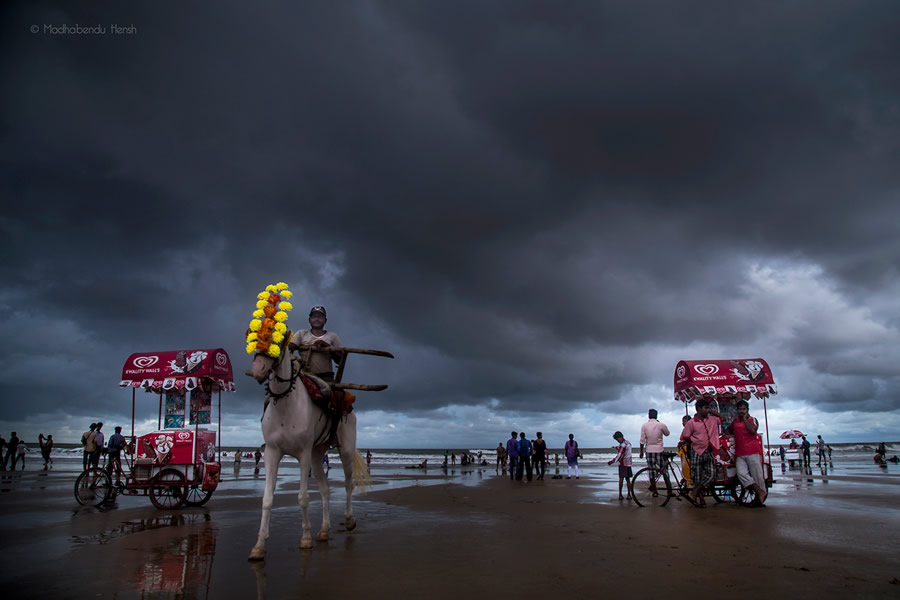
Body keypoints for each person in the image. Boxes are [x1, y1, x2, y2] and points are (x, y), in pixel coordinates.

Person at [680, 398, 724, 508]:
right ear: (698, 409)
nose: (707, 410)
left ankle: (693, 494)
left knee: (711, 475)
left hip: (709, 450)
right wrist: (695, 443)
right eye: (705, 408)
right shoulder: (691, 423)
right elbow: (686, 437)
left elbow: (723, 418)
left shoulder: (712, 419)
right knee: (697, 477)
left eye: (708, 408)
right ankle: (701, 499)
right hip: (696, 451)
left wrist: (711, 411)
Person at [724, 400, 767, 506]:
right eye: (739, 409)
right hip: (740, 453)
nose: (741, 411)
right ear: (737, 410)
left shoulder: (753, 420)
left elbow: (752, 430)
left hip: (753, 451)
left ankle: (759, 500)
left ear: (747, 410)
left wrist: (744, 420)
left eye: (743, 409)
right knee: (741, 474)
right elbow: (728, 430)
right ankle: (760, 491)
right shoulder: (735, 421)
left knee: (757, 476)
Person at [292, 306, 343, 382]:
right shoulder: (301, 334)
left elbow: (340, 360)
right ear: (309, 320)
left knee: (335, 393)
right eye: (314, 316)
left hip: (325, 377)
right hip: (304, 374)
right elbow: (290, 348)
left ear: (325, 320)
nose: (317, 319)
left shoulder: (333, 336)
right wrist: (297, 360)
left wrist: (327, 346)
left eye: (320, 317)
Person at [639, 409, 670, 478]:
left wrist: (641, 452)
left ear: (648, 416)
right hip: (659, 450)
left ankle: (653, 486)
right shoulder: (661, 425)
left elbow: (642, 441)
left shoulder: (644, 426)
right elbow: (667, 433)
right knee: (664, 469)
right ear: (656, 416)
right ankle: (668, 484)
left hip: (649, 451)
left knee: (651, 470)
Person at [608, 431, 634, 500]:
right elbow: (623, 449)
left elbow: (619, 455)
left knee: (621, 479)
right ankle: (629, 494)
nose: (617, 441)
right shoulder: (628, 443)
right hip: (629, 463)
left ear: (620, 437)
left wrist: (612, 461)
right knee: (628, 479)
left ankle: (620, 494)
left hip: (623, 463)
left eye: (617, 439)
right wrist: (616, 447)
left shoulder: (622, 445)